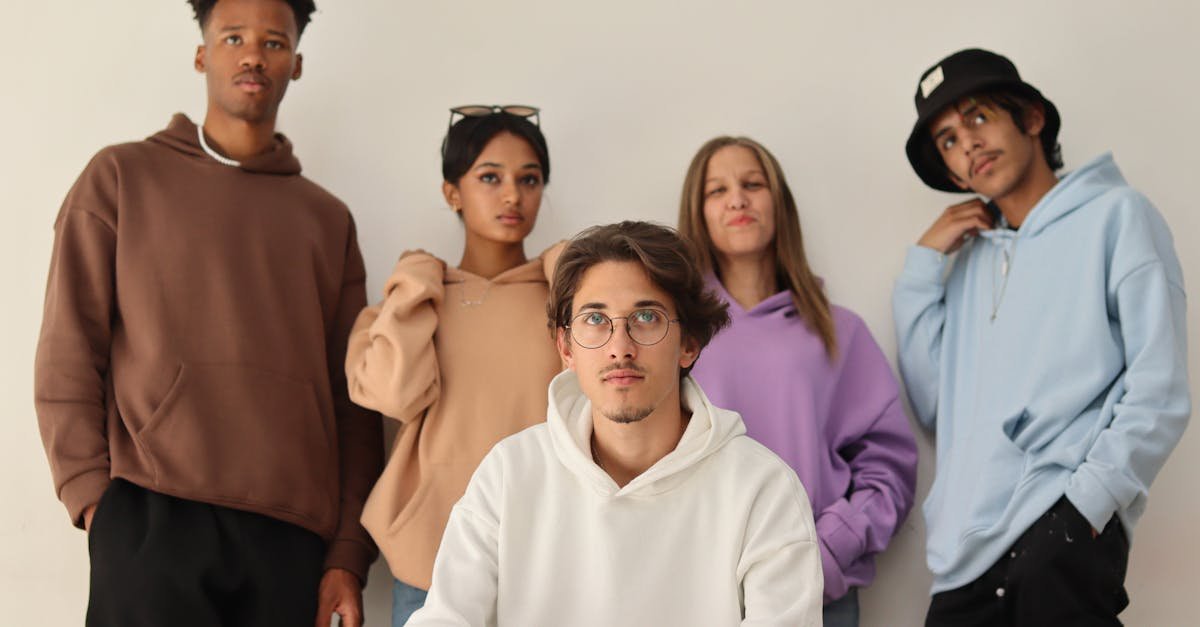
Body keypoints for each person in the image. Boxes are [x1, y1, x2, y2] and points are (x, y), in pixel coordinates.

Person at [33, 1, 383, 626]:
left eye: (274, 42)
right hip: (150, 516)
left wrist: (348, 555)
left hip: (290, 533)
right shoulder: (120, 177)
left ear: (296, 64)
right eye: (233, 37)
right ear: (202, 54)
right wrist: (93, 499)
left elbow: (351, 398)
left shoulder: (327, 220)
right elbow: (69, 347)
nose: (253, 54)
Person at [893, 48, 1190, 626]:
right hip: (960, 561)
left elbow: (1160, 387)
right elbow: (936, 405)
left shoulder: (1117, 216)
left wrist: (1084, 509)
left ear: (1031, 118)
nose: (968, 144)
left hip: (1060, 531)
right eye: (948, 140)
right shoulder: (967, 263)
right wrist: (922, 268)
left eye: (979, 117)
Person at [407, 221, 824, 627]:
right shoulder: (509, 473)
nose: (619, 348)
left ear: (689, 344)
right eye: (594, 319)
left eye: (646, 318)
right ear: (566, 347)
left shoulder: (764, 488)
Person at [679, 136, 919, 626]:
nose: (738, 199)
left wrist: (829, 551)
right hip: (700, 592)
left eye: (752, 184)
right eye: (717, 190)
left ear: (779, 204)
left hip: (817, 593)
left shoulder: (838, 331)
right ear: (697, 213)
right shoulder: (673, 334)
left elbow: (889, 465)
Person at [345, 105, 564, 626]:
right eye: (490, 177)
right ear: (452, 192)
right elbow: (392, 395)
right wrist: (419, 284)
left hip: (550, 559)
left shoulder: (569, 301)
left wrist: (571, 272)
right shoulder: (412, 301)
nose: (512, 195)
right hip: (432, 564)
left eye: (528, 179)